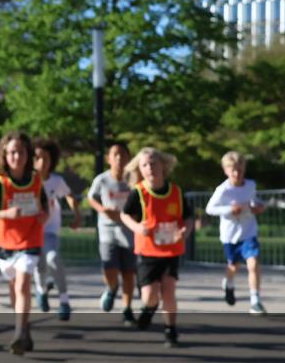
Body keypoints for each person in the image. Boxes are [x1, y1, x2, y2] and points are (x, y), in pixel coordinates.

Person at [0, 132, 48, 355]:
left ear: (28, 155)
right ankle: (24, 329)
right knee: (14, 290)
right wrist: (6, 214)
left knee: (22, 285)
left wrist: (43, 217)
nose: (16, 157)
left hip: (31, 240)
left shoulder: (36, 179)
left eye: (21, 152)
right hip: (5, 243)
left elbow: (45, 208)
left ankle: (18, 334)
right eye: (12, 152)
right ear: (4, 155)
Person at [120, 147, 192, 347]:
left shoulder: (176, 192)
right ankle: (149, 309)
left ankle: (170, 331)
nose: (149, 168)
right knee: (150, 296)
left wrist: (185, 231)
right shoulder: (138, 193)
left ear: (163, 166)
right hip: (148, 252)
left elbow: (188, 217)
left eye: (153, 163)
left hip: (171, 250)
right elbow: (125, 215)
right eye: (144, 165)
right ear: (140, 169)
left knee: (169, 290)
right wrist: (137, 227)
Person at [206, 151, 268, 315]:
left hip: (248, 232)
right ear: (226, 170)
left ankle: (255, 300)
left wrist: (258, 207)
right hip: (230, 235)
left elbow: (254, 200)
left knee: (253, 263)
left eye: (239, 170)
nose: (236, 173)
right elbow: (210, 209)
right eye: (232, 170)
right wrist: (229, 209)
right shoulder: (223, 190)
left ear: (244, 168)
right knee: (233, 266)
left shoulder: (250, 185)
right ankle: (229, 283)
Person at [87, 142, 137, 326]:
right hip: (107, 230)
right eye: (115, 154)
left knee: (128, 272)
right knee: (109, 267)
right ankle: (111, 287)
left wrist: (134, 215)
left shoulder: (133, 180)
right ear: (108, 158)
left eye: (123, 154)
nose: (119, 158)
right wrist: (103, 210)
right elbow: (91, 198)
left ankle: (127, 309)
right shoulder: (102, 180)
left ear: (129, 158)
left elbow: (141, 200)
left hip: (129, 230)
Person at [32, 137, 78, 321]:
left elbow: (70, 195)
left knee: (53, 258)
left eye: (46, 158)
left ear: (52, 161)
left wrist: (77, 215)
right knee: (40, 265)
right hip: (31, 231)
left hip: (50, 230)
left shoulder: (56, 181)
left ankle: (64, 300)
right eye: (38, 158)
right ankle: (41, 290)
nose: (42, 162)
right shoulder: (27, 181)